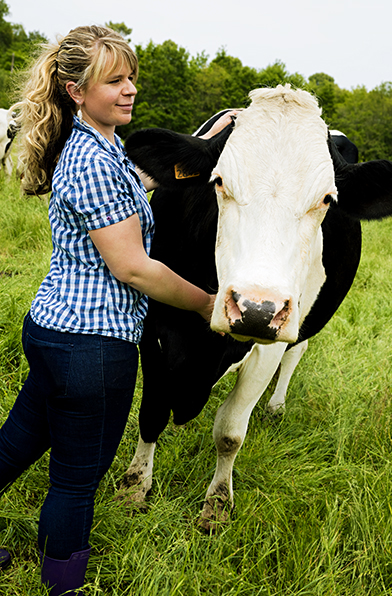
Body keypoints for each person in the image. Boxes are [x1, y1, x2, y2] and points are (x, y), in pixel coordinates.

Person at [0, 25, 237, 595]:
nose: (129, 89)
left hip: (55, 330)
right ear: (75, 90)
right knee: (77, 483)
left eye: (131, 76)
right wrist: (209, 304)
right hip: (92, 346)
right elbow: (133, 267)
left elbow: (132, 183)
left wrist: (203, 142)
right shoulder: (93, 160)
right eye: (114, 80)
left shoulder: (95, 147)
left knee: (18, 442)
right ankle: (64, 588)